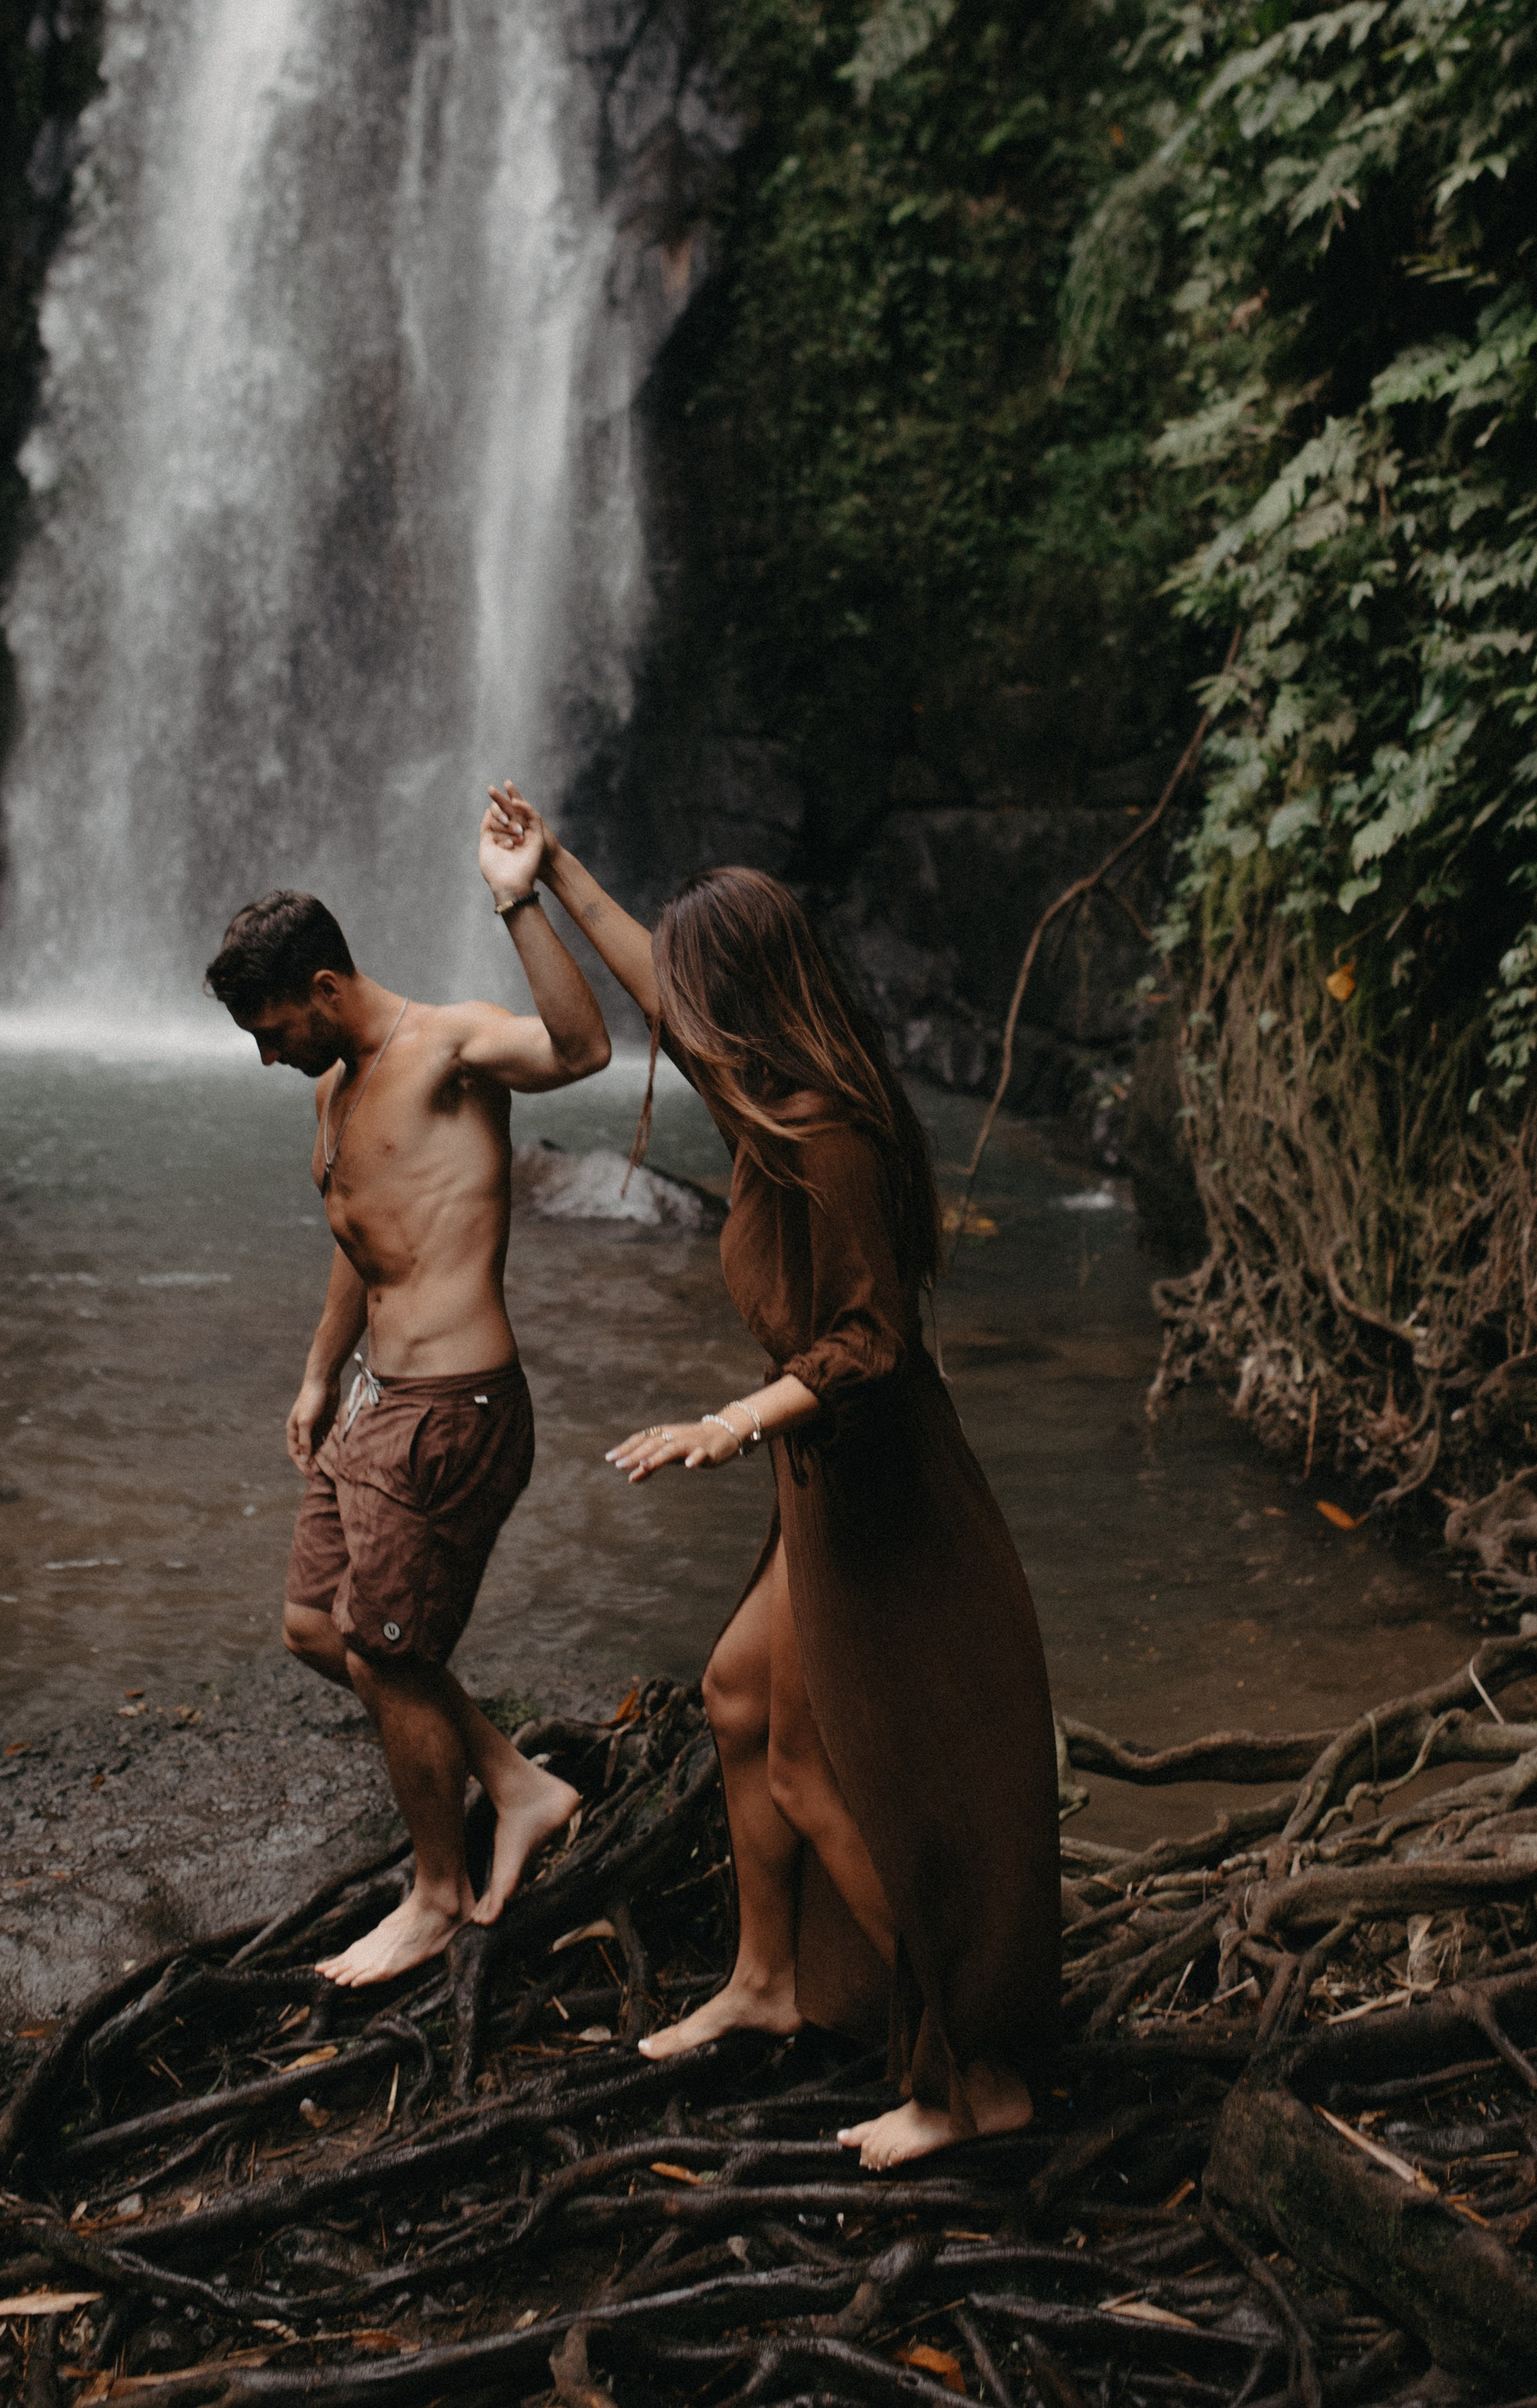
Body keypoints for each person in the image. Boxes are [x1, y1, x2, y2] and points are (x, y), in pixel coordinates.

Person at [482, 784, 1061, 2172]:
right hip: (826, 1478)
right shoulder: (765, 1098)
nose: (672, 1016)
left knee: (843, 1775)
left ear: (740, 997)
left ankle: (962, 2075)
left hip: (883, 1490)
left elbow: (874, 1341)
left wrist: (731, 1422)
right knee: (740, 1695)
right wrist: (550, 871)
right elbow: (658, 993)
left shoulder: (830, 1136)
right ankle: (767, 1981)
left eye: (693, 991)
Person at [204, 801, 609, 1987]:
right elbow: (358, 1231)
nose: (266, 1055)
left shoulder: (449, 1047)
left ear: (324, 986)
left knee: (383, 1648)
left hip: (455, 1406)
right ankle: (518, 1784)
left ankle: (436, 1897)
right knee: (316, 1629)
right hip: (379, 1400)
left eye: (274, 1029)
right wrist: (320, 1373)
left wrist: (518, 898)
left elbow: (582, 1052)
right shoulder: (332, 1091)